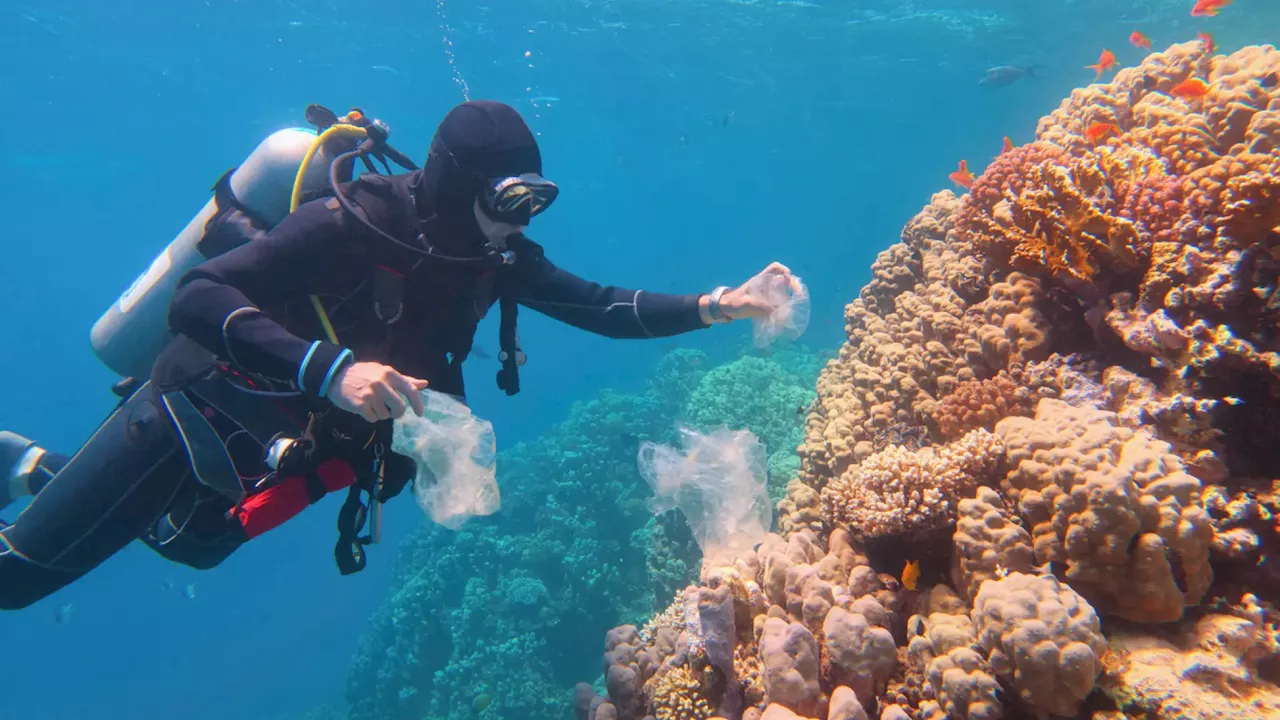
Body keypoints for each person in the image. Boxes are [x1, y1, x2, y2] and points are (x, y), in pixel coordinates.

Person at [0, 100, 801, 610]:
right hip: (193, 408)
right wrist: (331, 370)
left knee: (196, 544)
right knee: (18, 580)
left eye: (536, 200)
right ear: (459, 188)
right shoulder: (350, 226)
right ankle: (42, 479)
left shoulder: (494, 255)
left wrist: (714, 307)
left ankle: (37, 468)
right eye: (509, 200)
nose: (521, 222)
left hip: (289, 437)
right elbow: (198, 297)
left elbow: (598, 306)